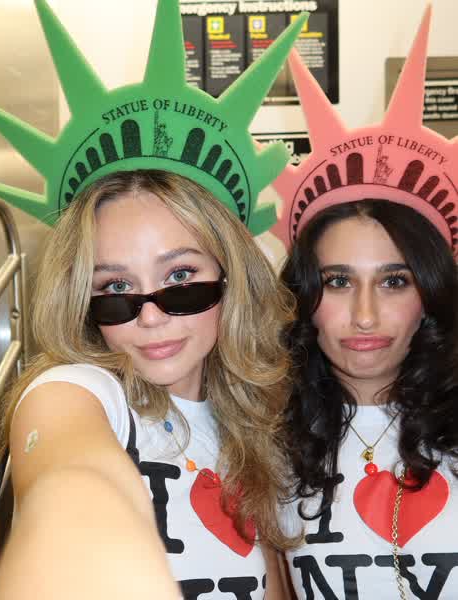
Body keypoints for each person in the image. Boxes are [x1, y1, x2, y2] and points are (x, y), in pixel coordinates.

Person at [0, 0, 309, 597]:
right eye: (116, 287)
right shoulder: (76, 392)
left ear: (231, 277)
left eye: (180, 276)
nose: (150, 314)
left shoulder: (251, 424)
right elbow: (72, 482)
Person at [270, 7, 458, 599]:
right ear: (305, 296)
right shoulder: (266, 439)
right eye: (338, 281)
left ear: (429, 295)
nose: (366, 315)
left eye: (395, 281)